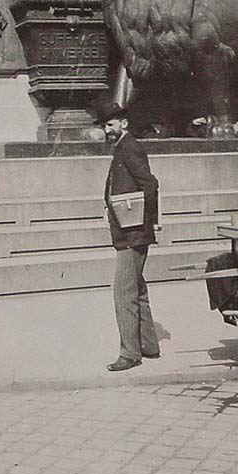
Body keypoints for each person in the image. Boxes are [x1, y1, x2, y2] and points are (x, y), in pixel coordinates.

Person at [95, 99, 160, 372]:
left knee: (123, 293)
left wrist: (147, 220)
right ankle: (149, 345)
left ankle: (129, 353)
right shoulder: (123, 146)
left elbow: (150, 184)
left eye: (110, 124)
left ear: (123, 123)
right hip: (130, 230)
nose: (107, 130)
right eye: (105, 125)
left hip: (131, 233)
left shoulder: (130, 146)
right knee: (137, 288)